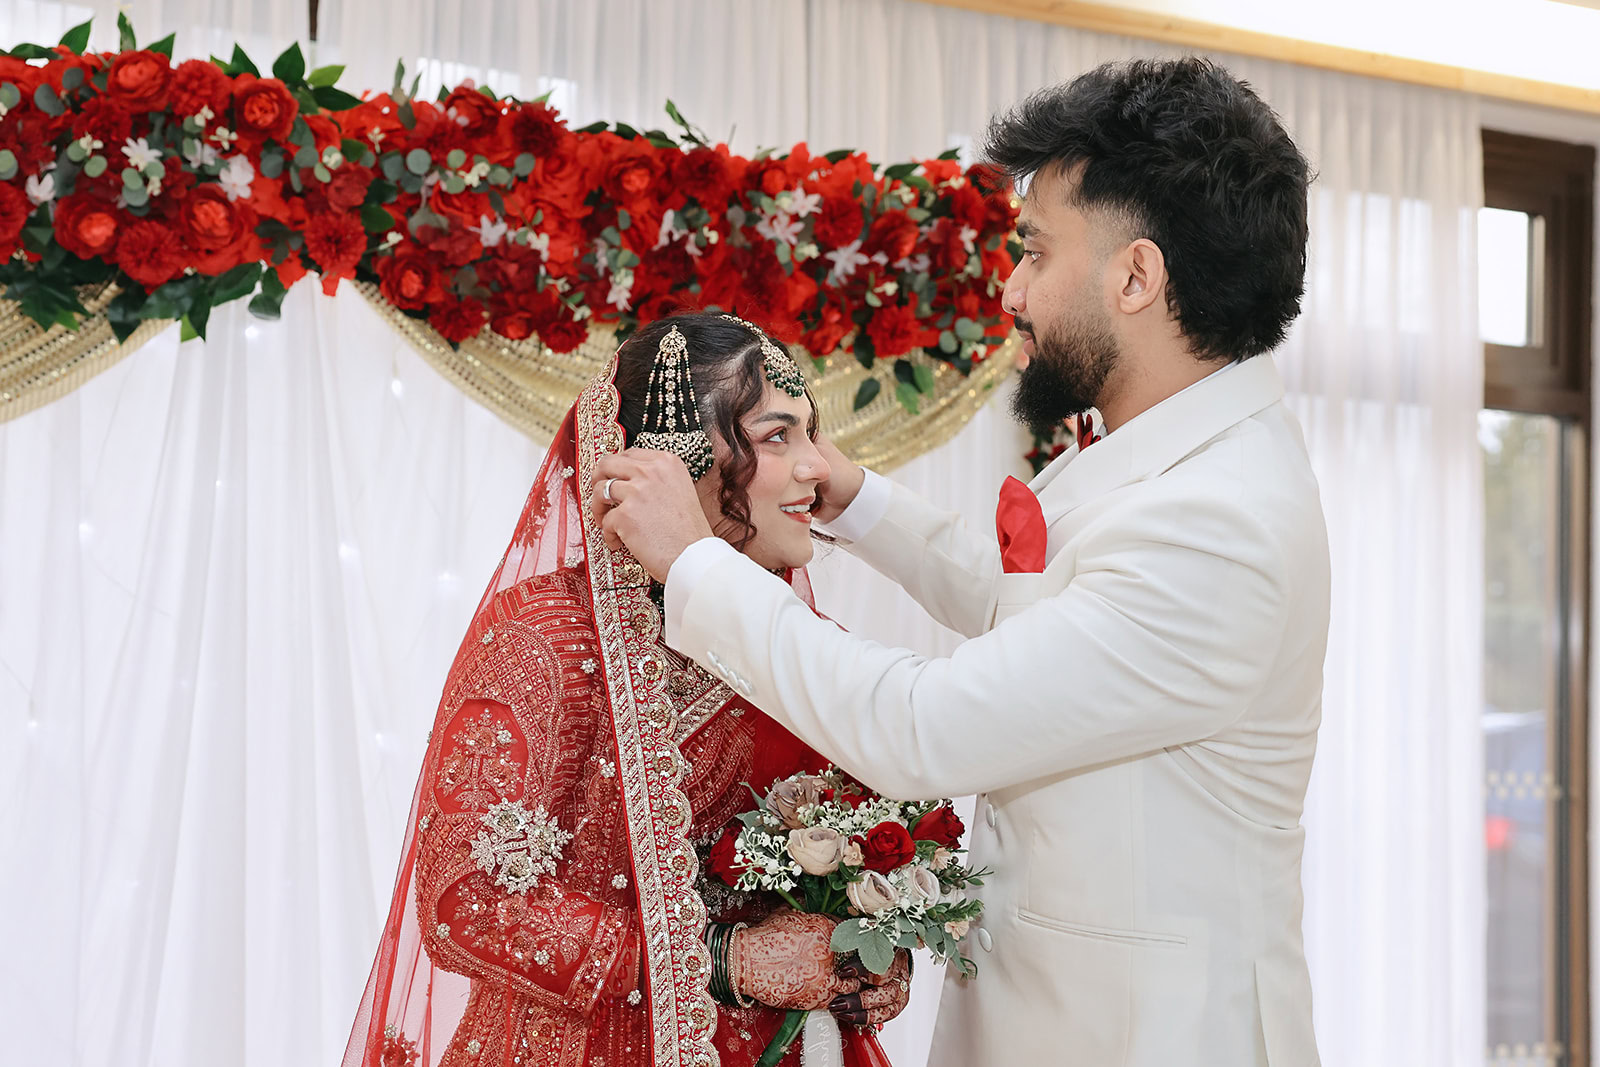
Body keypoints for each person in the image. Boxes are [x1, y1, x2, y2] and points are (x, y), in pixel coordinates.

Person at [592, 58, 1330, 1066]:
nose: (1012, 288)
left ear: (1136, 277)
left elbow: (920, 726)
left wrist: (692, 563)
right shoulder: (1164, 460)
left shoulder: (1217, 521)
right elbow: (1031, 611)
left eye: (1035, 251)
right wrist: (858, 500)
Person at [344, 312, 909, 1067]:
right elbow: (465, 901)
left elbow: (859, 861)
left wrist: (871, 956)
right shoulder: (546, 638)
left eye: (812, 433)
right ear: (674, 461)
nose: (819, 468)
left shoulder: (802, 650)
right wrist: (720, 959)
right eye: (779, 437)